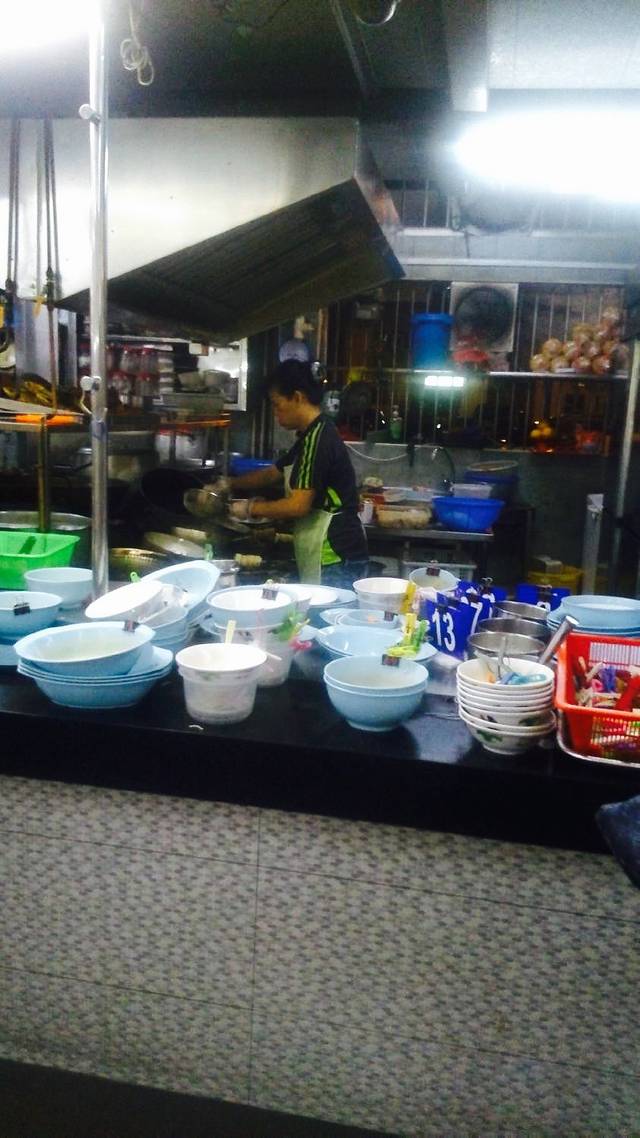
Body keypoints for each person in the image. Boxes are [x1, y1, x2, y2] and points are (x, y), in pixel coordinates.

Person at [218, 360, 369, 586]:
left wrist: (250, 509)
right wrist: (230, 484)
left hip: (335, 556)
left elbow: (298, 505)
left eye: (277, 405)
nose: (276, 414)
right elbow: (272, 473)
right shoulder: (309, 435)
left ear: (298, 397)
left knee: (328, 620)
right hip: (327, 553)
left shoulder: (318, 440)